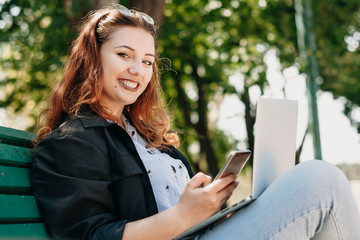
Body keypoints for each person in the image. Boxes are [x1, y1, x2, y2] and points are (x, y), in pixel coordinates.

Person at [31, 4, 360, 240]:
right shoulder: (71, 142)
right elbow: (91, 235)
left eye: (147, 61)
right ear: (93, 57)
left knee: (314, 184)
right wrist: (182, 216)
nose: (138, 69)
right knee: (321, 180)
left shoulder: (143, 135)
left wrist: (211, 204)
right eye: (124, 55)